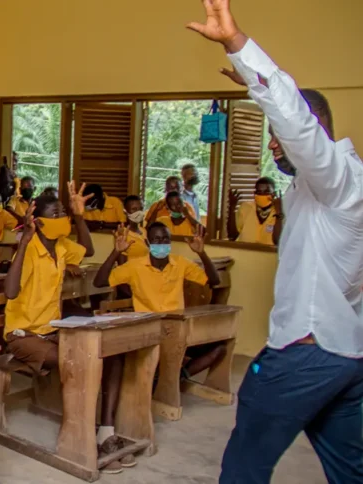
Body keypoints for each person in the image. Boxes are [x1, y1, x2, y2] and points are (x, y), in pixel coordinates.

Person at [188, 2, 363, 482]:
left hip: (307, 352)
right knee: (351, 468)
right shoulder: (324, 187)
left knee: (244, 465)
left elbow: (298, 125)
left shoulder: (338, 177)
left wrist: (239, 47)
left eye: (277, 136)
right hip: (345, 356)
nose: (272, 145)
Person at [93, 222, 222, 472]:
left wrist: (201, 252)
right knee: (140, 361)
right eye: (156, 239)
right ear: (148, 242)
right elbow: (100, 282)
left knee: (217, 349)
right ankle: (162, 381)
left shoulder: (180, 263)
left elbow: (213, 281)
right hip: (146, 329)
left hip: (174, 328)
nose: (161, 243)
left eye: (166, 239)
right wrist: (116, 252)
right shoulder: (135, 266)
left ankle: (172, 377)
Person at [2, 182, 95, 374]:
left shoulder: (60, 245)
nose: (62, 217)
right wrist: (24, 242)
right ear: (39, 222)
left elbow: (89, 250)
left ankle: (79, 402)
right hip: (23, 335)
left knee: (91, 352)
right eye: (55, 214)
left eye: (63, 212)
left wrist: (78, 216)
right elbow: (10, 292)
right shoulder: (29, 250)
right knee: (70, 360)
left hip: (52, 330)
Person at [227, 177, 282, 246]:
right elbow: (232, 236)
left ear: (274, 194)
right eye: (259, 192)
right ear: (254, 194)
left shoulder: (280, 211)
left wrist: (278, 213)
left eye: (266, 192)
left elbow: (278, 241)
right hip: (244, 253)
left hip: (267, 255)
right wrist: (232, 208)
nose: (262, 195)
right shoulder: (246, 207)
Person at [120, 195, 150, 261]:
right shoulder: (122, 233)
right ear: (125, 212)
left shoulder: (143, 231)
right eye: (134, 209)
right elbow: (121, 264)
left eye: (141, 209)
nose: (139, 212)